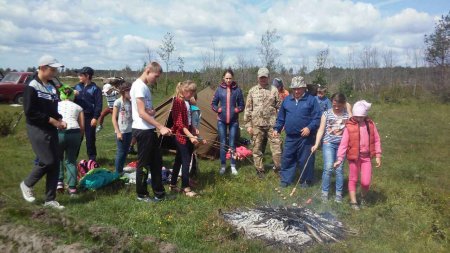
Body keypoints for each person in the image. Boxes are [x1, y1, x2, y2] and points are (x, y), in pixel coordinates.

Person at [20, 55, 66, 210]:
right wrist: (50, 120)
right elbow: (29, 111)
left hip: (51, 127)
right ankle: (27, 184)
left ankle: (50, 199)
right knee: (48, 161)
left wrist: (59, 119)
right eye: (52, 69)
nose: (54, 73)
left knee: (55, 163)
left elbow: (53, 108)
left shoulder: (52, 85)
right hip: (37, 127)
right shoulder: (32, 85)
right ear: (43, 68)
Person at [131, 62, 172, 202]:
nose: (156, 79)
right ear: (148, 71)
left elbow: (147, 109)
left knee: (156, 162)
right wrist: (160, 126)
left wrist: (153, 111)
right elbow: (141, 114)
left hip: (149, 129)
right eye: (155, 76)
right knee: (143, 164)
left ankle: (159, 193)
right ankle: (141, 194)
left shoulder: (145, 88)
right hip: (142, 130)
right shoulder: (138, 87)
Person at [273, 76, 321, 188]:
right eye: (294, 88)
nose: (297, 91)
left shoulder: (311, 100)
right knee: (287, 158)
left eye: (299, 88)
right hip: (290, 137)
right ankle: (285, 180)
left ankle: (305, 181)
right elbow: (281, 118)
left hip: (305, 138)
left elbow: (317, 117)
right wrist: (277, 128)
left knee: (305, 160)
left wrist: (309, 127)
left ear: (304, 88)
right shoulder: (287, 100)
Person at [334, 100, 382, 210]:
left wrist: (378, 155)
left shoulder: (370, 124)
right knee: (353, 178)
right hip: (354, 157)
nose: (359, 119)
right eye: (357, 116)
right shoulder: (349, 126)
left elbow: (376, 140)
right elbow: (343, 144)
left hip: (366, 158)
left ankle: (363, 197)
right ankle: (353, 201)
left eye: (361, 116)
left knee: (366, 181)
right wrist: (339, 159)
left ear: (365, 115)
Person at [244, 67, 282, 178]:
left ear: (268, 77)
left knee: (277, 147)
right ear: (258, 78)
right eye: (261, 77)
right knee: (257, 148)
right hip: (256, 125)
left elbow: (280, 108)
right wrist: (248, 125)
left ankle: (278, 168)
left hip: (272, 125)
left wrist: (280, 124)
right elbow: (248, 109)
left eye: (265, 77)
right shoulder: (252, 91)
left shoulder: (274, 90)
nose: (263, 79)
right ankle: (260, 170)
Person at [311, 93, 350, 203]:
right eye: (334, 105)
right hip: (328, 144)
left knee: (339, 169)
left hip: (342, 147)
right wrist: (316, 144)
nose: (336, 107)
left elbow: (352, 129)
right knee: (328, 167)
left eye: (339, 105)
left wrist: (348, 108)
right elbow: (321, 130)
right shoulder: (326, 114)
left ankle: (338, 194)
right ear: (331, 103)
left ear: (343, 104)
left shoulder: (347, 115)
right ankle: (324, 193)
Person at [170, 80, 204, 197]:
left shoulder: (187, 102)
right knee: (186, 160)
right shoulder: (178, 102)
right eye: (191, 92)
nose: (192, 95)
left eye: (193, 92)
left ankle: (173, 184)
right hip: (181, 136)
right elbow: (179, 123)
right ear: (184, 91)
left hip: (188, 133)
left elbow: (188, 120)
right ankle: (185, 187)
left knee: (179, 160)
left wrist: (194, 130)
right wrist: (190, 136)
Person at [211, 68, 245, 175]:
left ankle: (233, 165)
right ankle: (223, 165)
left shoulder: (237, 90)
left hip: (234, 121)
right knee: (223, 143)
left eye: (230, 78)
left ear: (233, 78)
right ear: (223, 78)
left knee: (232, 143)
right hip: (221, 120)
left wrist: (237, 109)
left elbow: (242, 105)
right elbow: (213, 104)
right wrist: (218, 109)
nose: (228, 80)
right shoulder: (219, 90)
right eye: (226, 78)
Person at [57, 85, 84, 197]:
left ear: (61, 95)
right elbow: (82, 126)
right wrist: (80, 137)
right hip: (75, 133)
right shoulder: (78, 107)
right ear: (73, 95)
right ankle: (72, 188)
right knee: (71, 160)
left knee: (58, 157)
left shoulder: (56, 105)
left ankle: (59, 182)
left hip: (60, 132)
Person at [74, 67, 102, 162]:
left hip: (89, 117)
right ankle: (72, 160)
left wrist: (95, 117)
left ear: (87, 76)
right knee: (77, 139)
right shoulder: (76, 87)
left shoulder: (96, 89)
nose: (79, 76)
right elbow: (66, 96)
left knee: (90, 140)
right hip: (77, 118)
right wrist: (72, 94)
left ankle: (92, 160)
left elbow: (99, 105)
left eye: (81, 75)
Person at [112, 82, 133, 175]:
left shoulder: (131, 102)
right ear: (124, 91)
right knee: (121, 152)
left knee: (125, 152)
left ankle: (120, 170)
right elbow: (113, 118)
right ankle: (117, 172)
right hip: (122, 131)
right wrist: (118, 132)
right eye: (129, 91)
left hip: (130, 131)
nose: (131, 93)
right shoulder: (118, 102)